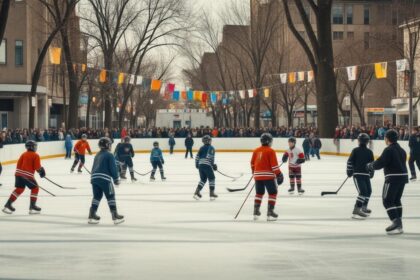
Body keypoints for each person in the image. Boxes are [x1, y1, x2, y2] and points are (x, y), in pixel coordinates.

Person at [367, 129, 408, 235]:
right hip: (403, 177)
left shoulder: (388, 150)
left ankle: (396, 222)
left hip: (392, 177)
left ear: (387, 139)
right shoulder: (401, 150)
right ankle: (399, 222)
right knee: (396, 200)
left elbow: (380, 163)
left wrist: (370, 165)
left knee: (387, 200)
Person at [3, 140, 46, 214]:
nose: (36, 147)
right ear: (32, 147)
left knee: (19, 189)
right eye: (35, 146)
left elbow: (19, 164)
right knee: (35, 188)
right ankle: (32, 207)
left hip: (18, 174)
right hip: (27, 176)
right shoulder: (35, 155)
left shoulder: (23, 154)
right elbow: (37, 167)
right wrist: (41, 171)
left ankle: (8, 205)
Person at [88, 137, 124, 225]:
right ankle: (114, 215)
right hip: (104, 178)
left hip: (94, 178)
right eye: (110, 144)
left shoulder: (97, 154)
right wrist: (116, 179)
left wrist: (93, 177)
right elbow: (113, 168)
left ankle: (92, 215)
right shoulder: (109, 154)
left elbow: (93, 167)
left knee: (97, 196)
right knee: (110, 195)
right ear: (107, 145)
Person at [251, 133, 283, 221]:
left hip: (257, 176)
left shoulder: (256, 150)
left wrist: (254, 172)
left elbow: (252, 163)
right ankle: (270, 212)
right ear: (268, 141)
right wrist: (279, 174)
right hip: (268, 176)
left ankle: (256, 211)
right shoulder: (271, 151)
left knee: (259, 193)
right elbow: (274, 166)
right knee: (273, 192)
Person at [346, 133, 374, 220]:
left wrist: (349, 171)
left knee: (368, 191)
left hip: (364, 175)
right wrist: (350, 171)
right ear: (367, 142)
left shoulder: (367, 151)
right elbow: (372, 164)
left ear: (359, 141)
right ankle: (356, 209)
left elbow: (349, 162)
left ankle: (363, 207)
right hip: (358, 175)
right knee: (363, 192)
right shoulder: (359, 151)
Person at [194, 135, 218, 200]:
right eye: (210, 140)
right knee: (212, 178)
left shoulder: (201, 148)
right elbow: (210, 157)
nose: (211, 141)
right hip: (207, 165)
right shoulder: (211, 148)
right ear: (208, 141)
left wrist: (197, 164)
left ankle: (197, 192)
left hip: (200, 165)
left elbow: (197, 157)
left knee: (203, 179)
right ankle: (211, 193)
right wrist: (213, 165)